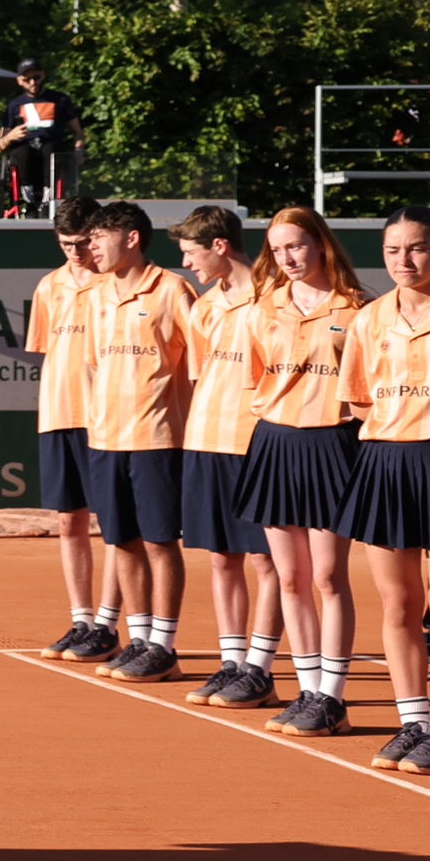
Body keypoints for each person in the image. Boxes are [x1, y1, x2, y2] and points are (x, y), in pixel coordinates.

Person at [331, 206, 430, 774]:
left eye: (416, 248)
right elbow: (360, 398)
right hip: (384, 462)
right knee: (400, 602)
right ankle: (413, 722)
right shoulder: (370, 318)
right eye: (392, 250)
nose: (404, 261)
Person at [239, 204, 368, 740]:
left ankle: (332, 697)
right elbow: (253, 381)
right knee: (289, 578)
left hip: (333, 443)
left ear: (320, 244)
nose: (287, 258)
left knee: (328, 577)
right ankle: (309, 689)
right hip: (275, 442)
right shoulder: (262, 308)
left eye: (296, 245)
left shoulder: (358, 309)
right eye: (277, 249)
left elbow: (365, 389)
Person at [173, 207, 285, 707]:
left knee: (265, 559)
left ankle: (260, 668)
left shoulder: (275, 297)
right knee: (222, 558)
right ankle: (232, 661)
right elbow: (201, 376)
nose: (187, 264)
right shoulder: (203, 306)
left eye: (191, 253)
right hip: (205, 439)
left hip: (255, 443)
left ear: (219, 246)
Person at [78, 201, 194, 681]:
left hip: (158, 435)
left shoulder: (172, 289)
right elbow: (91, 365)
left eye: (100, 237)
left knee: (161, 541)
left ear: (130, 238)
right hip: (106, 437)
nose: (92, 247)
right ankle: (139, 637)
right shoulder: (95, 294)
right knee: (121, 541)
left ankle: (163, 645)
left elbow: (200, 362)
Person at [31, 195, 122, 663]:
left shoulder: (115, 287)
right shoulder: (49, 287)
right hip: (57, 415)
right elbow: (49, 352)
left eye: (83, 242)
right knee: (70, 522)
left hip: (106, 419)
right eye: (66, 243)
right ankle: (82, 619)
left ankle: (108, 623)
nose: (75, 252)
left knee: (112, 525)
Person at [0, 60, 82, 218]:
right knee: (23, 150)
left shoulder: (60, 99)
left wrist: (78, 150)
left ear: (43, 75)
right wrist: (10, 136)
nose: (33, 82)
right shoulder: (14, 105)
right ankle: (29, 201)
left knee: (50, 148)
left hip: (51, 150)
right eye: (28, 79)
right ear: (20, 80)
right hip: (24, 153)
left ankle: (47, 200)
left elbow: (77, 131)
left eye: (36, 77)